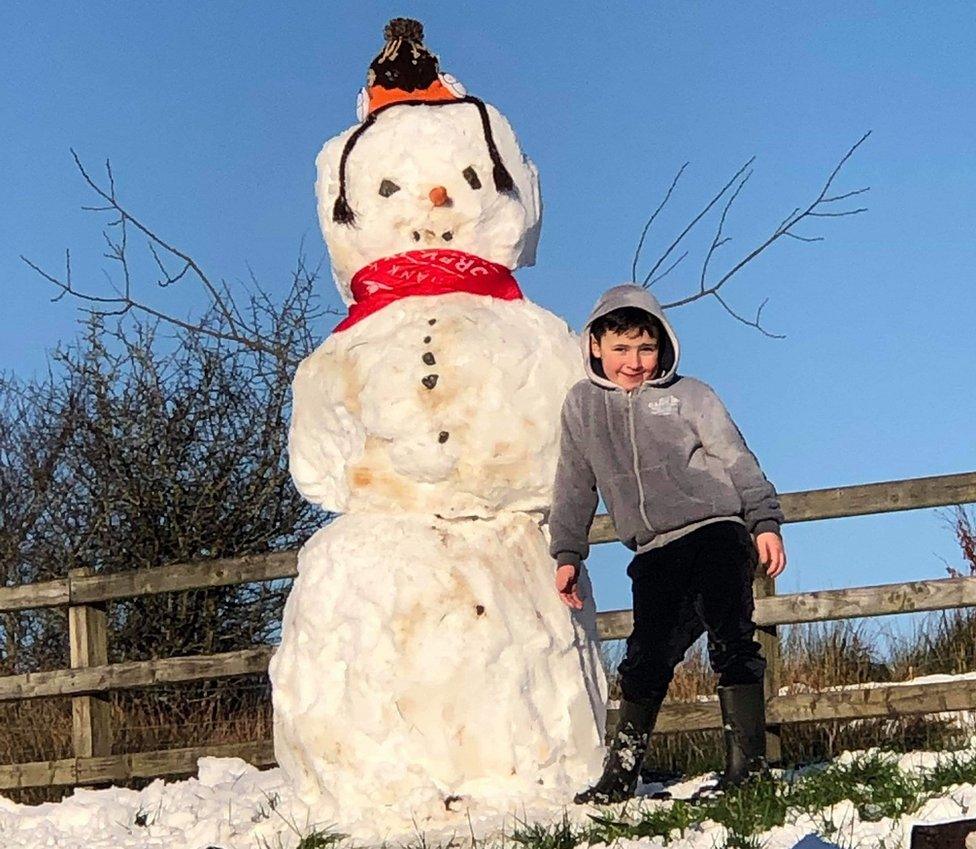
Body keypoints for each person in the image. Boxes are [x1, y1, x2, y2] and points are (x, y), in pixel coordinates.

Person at [549, 283, 787, 804]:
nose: (634, 363)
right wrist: (568, 553)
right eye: (621, 349)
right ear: (595, 346)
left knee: (732, 637)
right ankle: (621, 774)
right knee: (646, 657)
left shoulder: (689, 395)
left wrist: (764, 521)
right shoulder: (583, 407)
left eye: (645, 349)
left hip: (715, 531)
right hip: (653, 551)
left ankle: (747, 768)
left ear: (662, 345)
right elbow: (573, 484)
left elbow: (736, 458)